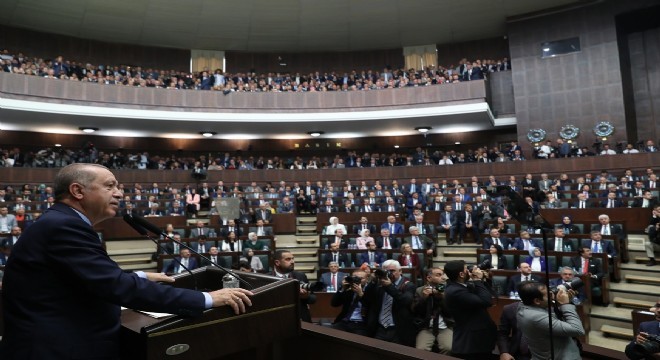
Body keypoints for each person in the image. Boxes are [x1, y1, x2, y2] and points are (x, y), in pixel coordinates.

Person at [0, 163, 253, 360]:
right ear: (78, 191)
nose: (119, 193)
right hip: (57, 349)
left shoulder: (60, 222)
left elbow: (82, 279)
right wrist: (207, 299)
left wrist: (140, 276)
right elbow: (114, 286)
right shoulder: (64, 226)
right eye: (110, 186)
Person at [443, 260, 497, 360]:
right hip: (471, 343)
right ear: (461, 274)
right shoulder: (455, 291)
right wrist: (477, 280)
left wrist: (485, 280)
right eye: (466, 269)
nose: (469, 270)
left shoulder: (462, 285)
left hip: (479, 338)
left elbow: (490, 296)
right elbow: (486, 301)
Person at [517, 281, 585, 360]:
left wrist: (562, 302)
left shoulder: (524, 306)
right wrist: (566, 305)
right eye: (548, 295)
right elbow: (577, 330)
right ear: (537, 301)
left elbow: (556, 320)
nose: (552, 294)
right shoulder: (535, 317)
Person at [362, 259, 416, 346]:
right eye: (386, 271)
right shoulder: (378, 284)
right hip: (379, 328)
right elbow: (366, 300)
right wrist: (373, 281)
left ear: (400, 271)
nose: (389, 274)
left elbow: (405, 301)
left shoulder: (408, 285)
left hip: (398, 329)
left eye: (392, 271)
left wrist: (389, 286)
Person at [412, 267, 453, 354]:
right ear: (429, 278)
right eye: (438, 275)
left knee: (448, 348)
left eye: (442, 275)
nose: (442, 277)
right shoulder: (420, 290)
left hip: (445, 326)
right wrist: (424, 299)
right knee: (420, 350)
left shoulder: (448, 291)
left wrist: (441, 298)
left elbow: (450, 312)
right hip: (426, 327)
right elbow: (416, 311)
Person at [271, 249, 316, 322]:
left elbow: (313, 299)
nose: (292, 262)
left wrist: (306, 296)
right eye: (288, 259)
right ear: (277, 262)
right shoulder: (266, 278)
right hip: (276, 319)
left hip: (299, 319)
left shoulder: (300, 276)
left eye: (292, 259)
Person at [330, 269, 369, 336]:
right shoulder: (348, 289)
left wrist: (361, 294)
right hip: (345, 321)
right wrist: (342, 289)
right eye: (355, 278)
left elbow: (371, 307)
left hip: (362, 323)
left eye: (361, 278)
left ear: (367, 279)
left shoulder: (371, 290)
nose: (358, 280)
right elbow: (334, 304)